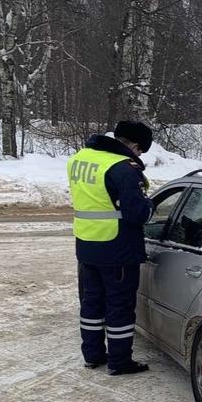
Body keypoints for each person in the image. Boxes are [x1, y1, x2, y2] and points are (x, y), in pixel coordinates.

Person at [67, 120, 156, 375]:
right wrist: (149, 207)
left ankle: (92, 355)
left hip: (86, 245)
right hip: (117, 248)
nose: (138, 156)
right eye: (141, 151)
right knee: (119, 306)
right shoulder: (123, 169)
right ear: (136, 145)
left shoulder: (80, 158)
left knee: (92, 303)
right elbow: (137, 213)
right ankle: (120, 362)